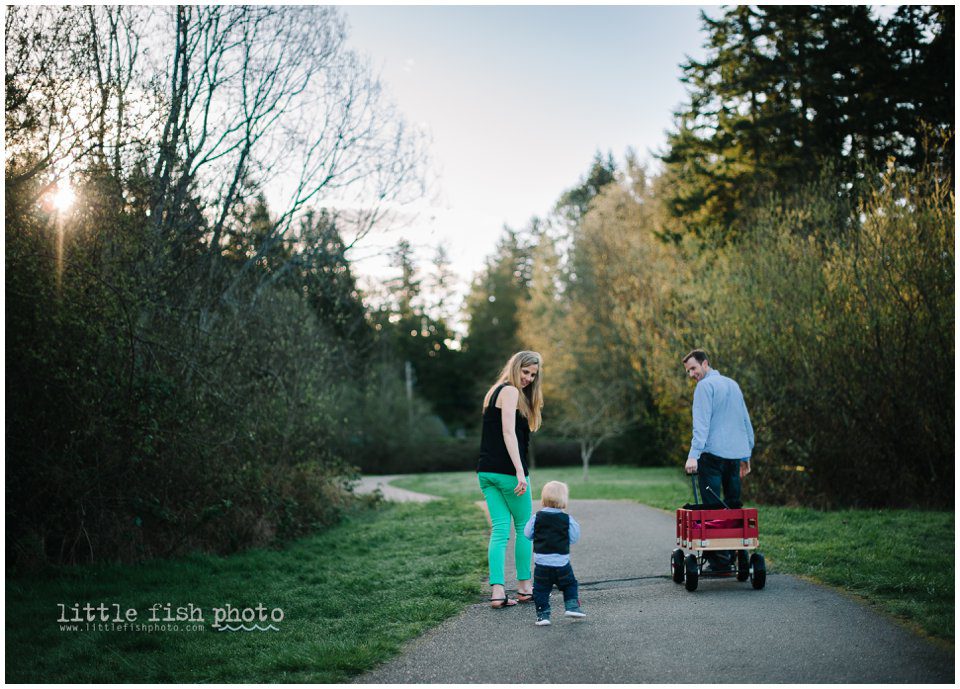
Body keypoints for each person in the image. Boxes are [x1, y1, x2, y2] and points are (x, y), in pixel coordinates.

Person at [477, 351, 544, 608]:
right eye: (525, 372)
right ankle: (526, 588)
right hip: (507, 472)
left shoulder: (494, 391)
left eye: (532, 374)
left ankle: (497, 593)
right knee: (524, 528)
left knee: (500, 530)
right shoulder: (511, 392)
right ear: (515, 367)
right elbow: (508, 433)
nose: (527, 378)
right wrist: (519, 471)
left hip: (486, 473)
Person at [682, 349, 754, 574]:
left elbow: (701, 425)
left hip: (711, 456)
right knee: (733, 504)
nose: (692, 374)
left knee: (712, 508)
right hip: (733, 456)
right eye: (688, 371)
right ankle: (734, 552)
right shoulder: (732, 384)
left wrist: (693, 454)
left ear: (705, 364)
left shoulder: (705, 387)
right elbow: (744, 420)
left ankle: (719, 561)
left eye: (693, 368)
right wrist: (746, 455)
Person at [523, 480, 585, 626]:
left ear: (543, 498)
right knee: (570, 584)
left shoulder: (536, 517)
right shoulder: (567, 519)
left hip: (542, 564)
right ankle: (572, 606)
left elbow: (527, 534)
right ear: (564, 499)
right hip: (562, 563)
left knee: (541, 590)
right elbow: (575, 537)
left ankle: (543, 616)